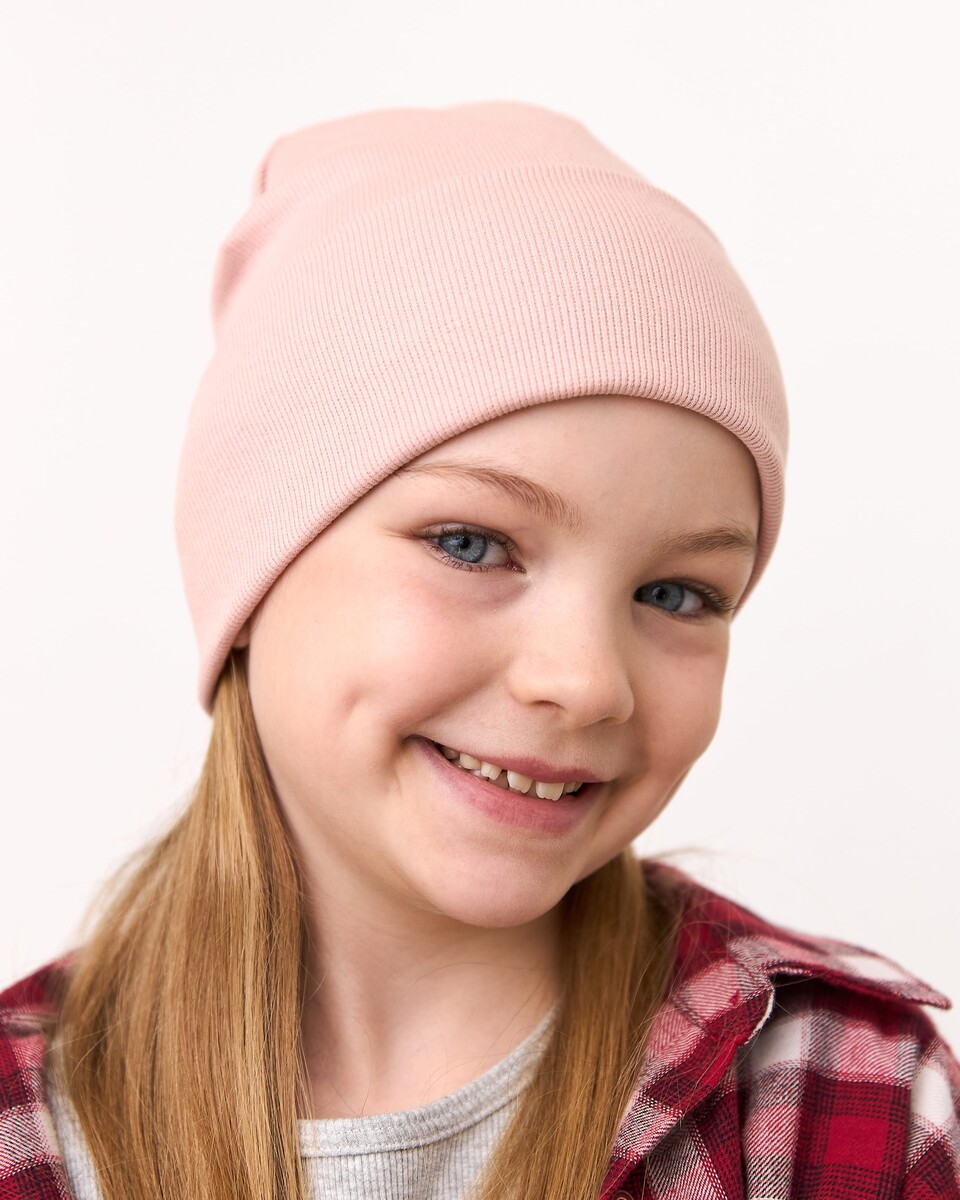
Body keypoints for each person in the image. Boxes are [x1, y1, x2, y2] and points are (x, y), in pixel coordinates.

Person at [0, 100, 957, 1200]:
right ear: (254, 575)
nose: (584, 681)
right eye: (470, 544)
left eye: (676, 593)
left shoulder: (840, 1096)